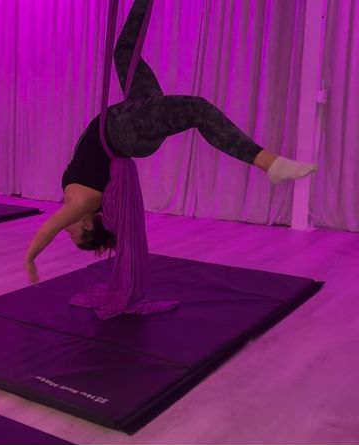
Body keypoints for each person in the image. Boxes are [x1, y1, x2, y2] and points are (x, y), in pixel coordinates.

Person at [24, 0, 318, 319]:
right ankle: (271, 164)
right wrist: (31, 260)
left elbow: (56, 224)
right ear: (90, 222)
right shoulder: (82, 203)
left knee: (124, 52)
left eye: (71, 235)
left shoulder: (73, 196)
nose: (68, 231)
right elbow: (47, 230)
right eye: (76, 233)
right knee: (196, 109)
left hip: (133, 120)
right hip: (125, 129)